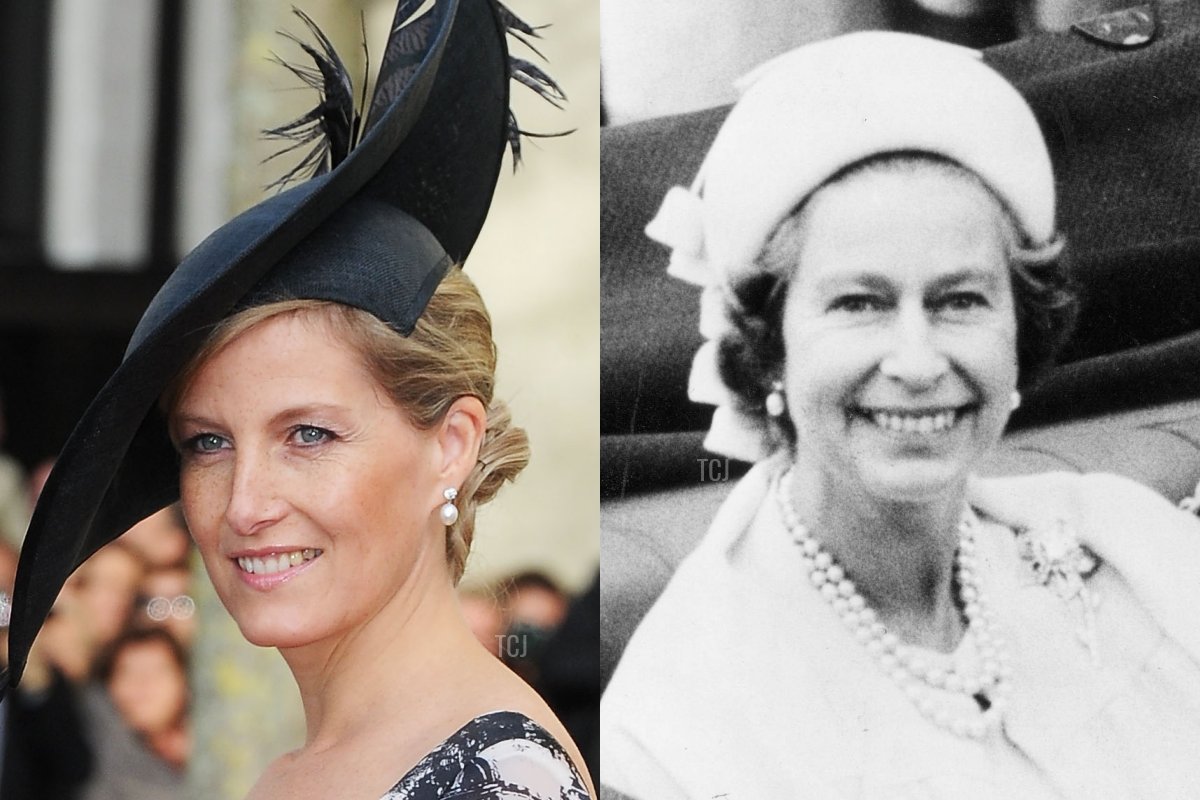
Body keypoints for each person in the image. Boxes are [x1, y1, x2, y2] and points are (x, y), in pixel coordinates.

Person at [3, 2, 594, 798]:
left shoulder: (493, 781)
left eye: (309, 434)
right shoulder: (307, 770)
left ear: (451, 444)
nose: (244, 504)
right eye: (206, 442)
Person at [600, 31, 1200, 798]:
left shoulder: (1123, 546)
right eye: (860, 303)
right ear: (768, 346)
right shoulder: (680, 721)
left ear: (1023, 329)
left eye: (959, 301)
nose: (917, 363)